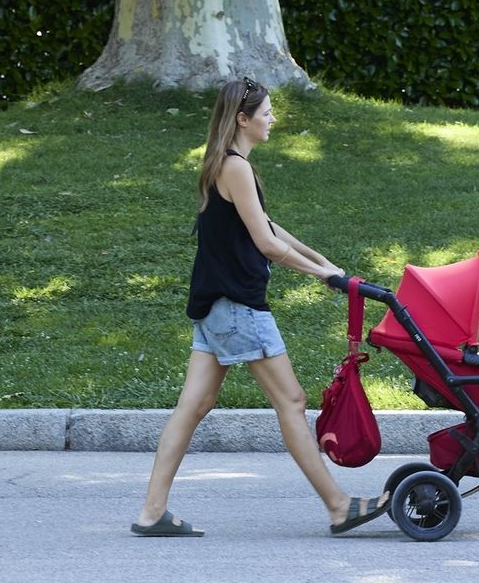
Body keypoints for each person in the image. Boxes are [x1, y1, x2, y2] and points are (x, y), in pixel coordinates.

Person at [131, 77, 388, 537]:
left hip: (215, 308)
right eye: (266, 112)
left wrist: (324, 262)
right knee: (290, 401)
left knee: (193, 405)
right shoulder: (235, 168)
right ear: (242, 119)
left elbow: (269, 225)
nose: (273, 119)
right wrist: (321, 275)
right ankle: (338, 505)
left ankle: (152, 511)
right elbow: (267, 244)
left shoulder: (222, 164)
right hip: (237, 309)